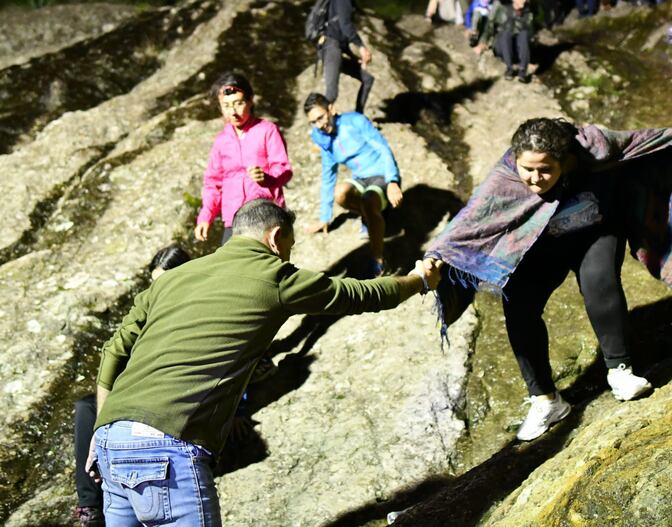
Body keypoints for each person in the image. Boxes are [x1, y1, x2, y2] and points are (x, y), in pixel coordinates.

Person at [85, 199, 442, 526]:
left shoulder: (173, 278)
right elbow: (358, 294)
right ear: (275, 237)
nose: (288, 255)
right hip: (167, 446)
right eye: (289, 246)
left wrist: (100, 429)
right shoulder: (273, 276)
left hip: (110, 440)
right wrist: (420, 280)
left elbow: (115, 350)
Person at [426, 118, 672, 441]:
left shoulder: (596, 147)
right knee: (518, 306)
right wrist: (435, 256)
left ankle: (620, 371)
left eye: (544, 170)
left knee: (600, 281)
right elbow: (471, 220)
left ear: (565, 159)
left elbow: (644, 141)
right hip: (543, 243)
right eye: (527, 169)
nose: (534, 178)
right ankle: (545, 400)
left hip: (596, 231)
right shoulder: (507, 176)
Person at [72, 245, 190, 527]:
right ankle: (90, 505)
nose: (156, 290)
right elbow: (115, 352)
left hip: (163, 395)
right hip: (133, 388)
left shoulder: (193, 310)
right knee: (84, 408)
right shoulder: (147, 306)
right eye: (154, 283)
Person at [304, 92, 403, 277]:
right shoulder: (324, 138)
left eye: (321, 117)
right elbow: (328, 175)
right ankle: (372, 217)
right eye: (314, 122)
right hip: (361, 178)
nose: (320, 125)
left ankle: (379, 259)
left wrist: (393, 181)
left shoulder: (355, 121)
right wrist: (325, 217)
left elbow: (383, 148)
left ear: (331, 109)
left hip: (381, 174)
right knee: (340, 193)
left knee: (368, 201)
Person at [194, 72, 293, 245]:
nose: (233, 112)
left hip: (266, 215)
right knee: (229, 269)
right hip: (234, 220)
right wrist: (205, 216)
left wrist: (267, 178)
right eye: (226, 106)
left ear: (250, 101)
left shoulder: (267, 130)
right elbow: (213, 183)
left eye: (238, 103)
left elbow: (283, 169)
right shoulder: (221, 141)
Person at [318, 0, 374, 114]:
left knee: (367, 79)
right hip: (330, 49)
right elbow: (346, 26)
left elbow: (339, 33)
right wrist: (361, 47)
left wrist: (353, 57)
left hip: (333, 47)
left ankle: (359, 115)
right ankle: (319, 123)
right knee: (331, 94)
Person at [481, 0, 538, 83]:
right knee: (506, 33)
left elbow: (531, 34)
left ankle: (522, 70)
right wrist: (483, 42)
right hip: (501, 45)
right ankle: (509, 69)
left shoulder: (528, 10)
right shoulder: (500, 5)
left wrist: (521, 13)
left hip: (517, 48)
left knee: (524, 33)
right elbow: (489, 25)